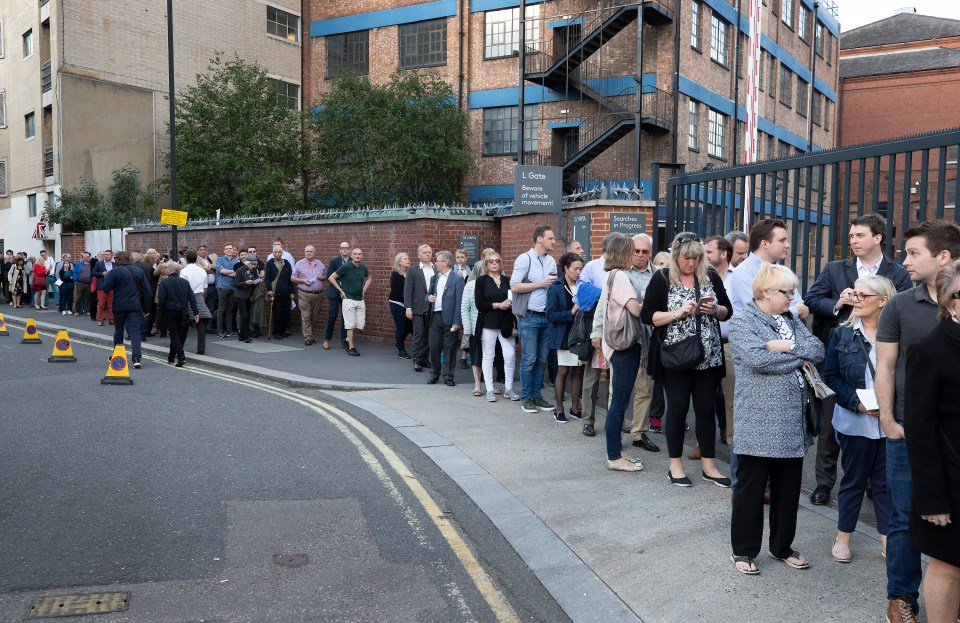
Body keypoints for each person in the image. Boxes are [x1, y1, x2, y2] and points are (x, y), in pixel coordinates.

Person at [876, 220, 960, 623]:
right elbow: (885, 367)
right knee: (905, 516)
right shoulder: (899, 304)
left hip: (954, 439)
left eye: (913, 253)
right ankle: (902, 598)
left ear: (943, 256)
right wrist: (889, 422)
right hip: (911, 431)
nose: (903, 260)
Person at [804, 214, 913, 507]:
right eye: (851, 236)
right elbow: (812, 299)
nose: (853, 241)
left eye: (859, 235)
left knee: (876, 421)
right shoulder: (836, 268)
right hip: (841, 354)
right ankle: (825, 483)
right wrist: (839, 303)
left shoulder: (897, 273)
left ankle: (869, 482)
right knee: (830, 426)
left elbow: (904, 308)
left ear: (878, 238)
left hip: (881, 355)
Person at [728, 263, 824, 575]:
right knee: (751, 491)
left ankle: (782, 546)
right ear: (767, 292)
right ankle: (744, 550)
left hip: (792, 421)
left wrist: (787, 347)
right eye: (787, 292)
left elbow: (818, 349)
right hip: (759, 419)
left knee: (788, 489)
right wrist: (798, 357)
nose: (792, 298)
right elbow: (758, 359)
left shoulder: (789, 321)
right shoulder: (744, 321)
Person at [641, 232, 731, 487]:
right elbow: (647, 316)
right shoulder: (661, 278)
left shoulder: (710, 275)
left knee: (705, 410)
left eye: (695, 257)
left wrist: (715, 310)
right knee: (678, 409)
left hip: (708, 356)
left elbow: (728, 311)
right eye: (686, 258)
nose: (691, 263)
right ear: (675, 256)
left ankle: (709, 466)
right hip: (675, 356)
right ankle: (675, 465)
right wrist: (677, 313)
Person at [822, 275, 895, 564]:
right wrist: (856, 403)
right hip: (855, 420)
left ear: (883, 301)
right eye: (855, 295)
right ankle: (843, 538)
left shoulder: (898, 334)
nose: (857, 300)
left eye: (864, 296)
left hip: (889, 422)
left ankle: (888, 540)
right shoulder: (842, 334)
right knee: (853, 480)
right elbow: (831, 377)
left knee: (884, 484)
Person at [905, 260, 960, 623]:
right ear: (953, 300)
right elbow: (920, 428)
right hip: (950, 478)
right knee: (949, 564)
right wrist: (931, 497)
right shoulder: (930, 348)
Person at [598, 234, 644, 472]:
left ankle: (616, 450)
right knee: (619, 402)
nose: (636, 254)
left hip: (614, 346)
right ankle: (614, 456)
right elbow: (635, 310)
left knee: (618, 400)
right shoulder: (623, 277)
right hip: (624, 347)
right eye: (632, 250)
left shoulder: (610, 275)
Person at [511, 225, 558, 414]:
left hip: (546, 317)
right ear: (539, 239)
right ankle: (527, 397)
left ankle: (537, 395)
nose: (554, 241)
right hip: (529, 316)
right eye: (550, 238)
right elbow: (514, 286)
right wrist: (540, 284)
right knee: (529, 359)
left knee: (541, 360)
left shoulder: (552, 261)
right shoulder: (524, 259)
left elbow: (554, 284)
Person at [576, 232, 617, 436]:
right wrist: (604, 296)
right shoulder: (592, 267)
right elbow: (580, 293)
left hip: (617, 330)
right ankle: (588, 420)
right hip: (597, 327)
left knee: (614, 379)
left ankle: (614, 420)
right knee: (592, 378)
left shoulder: (622, 269)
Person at [626, 233, 660, 452]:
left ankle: (638, 433)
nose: (640, 255)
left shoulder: (659, 276)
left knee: (645, 389)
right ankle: (615, 429)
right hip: (624, 338)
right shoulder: (619, 273)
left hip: (649, 340)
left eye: (644, 251)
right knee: (616, 389)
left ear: (651, 253)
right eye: (636, 251)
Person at [474, 250, 518, 401]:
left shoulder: (507, 280)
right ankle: (489, 389)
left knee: (510, 355)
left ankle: (509, 388)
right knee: (488, 355)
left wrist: (509, 304)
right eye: (491, 261)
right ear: (486, 264)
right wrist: (498, 305)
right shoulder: (481, 281)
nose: (494, 263)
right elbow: (479, 304)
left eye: (497, 261)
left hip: (506, 322)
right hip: (489, 322)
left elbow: (514, 299)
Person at [546, 252, 584, 423]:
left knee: (578, 370)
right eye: (575, 269)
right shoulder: (556, 287)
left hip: (581, 334)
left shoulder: (583, 286)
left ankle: (575, 407)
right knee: (563, 370)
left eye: (580, 269)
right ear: (565, 269)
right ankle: (559, 407)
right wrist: (570, 312)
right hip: (564, 335)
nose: (578, 272)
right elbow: (551, 315)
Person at [100, 251, 151, 369]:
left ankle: (117, 356)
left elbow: (106, 288)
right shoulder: (138, 271)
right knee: (135, 332)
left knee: (119, 331)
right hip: (135, 306)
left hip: (119, 306)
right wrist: (146, 308)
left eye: (116, 258)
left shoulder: (114, 271)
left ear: (119, 260)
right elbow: (147, 291)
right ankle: (136, 358)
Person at [426, 251, 464, 386]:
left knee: (450, 348)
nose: (435, 263)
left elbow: (460, 301)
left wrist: (457, 321)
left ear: (445, 263)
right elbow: (429, 295)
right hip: (435, 316)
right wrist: (428, 298)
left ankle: (448, 376)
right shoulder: (435, 278)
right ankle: (434, 374)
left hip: (450, 318)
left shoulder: (457, 278)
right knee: (434, 347)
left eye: (437, 261)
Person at [329, 247, 371, 356]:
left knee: (359, 324)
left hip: (360, 300)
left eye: (359, 254)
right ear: (351, 256)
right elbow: (331, 277)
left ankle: (348, 339)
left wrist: (363, 290)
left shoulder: (362, 267)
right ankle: (351, 347)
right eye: (355, 254)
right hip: (348, 300)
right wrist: (340, 290)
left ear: (362, 256)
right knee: (350, 324)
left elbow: (369, 278)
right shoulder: (346, 266)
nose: (357, 256)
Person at [157, 261, 198, 367]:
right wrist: (195, 312)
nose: (165, 269)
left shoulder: (164, 283)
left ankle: (181, 357)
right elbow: (192, 298)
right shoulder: (185, 282)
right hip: (183, 312)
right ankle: (171, 356)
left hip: (169, 311)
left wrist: (162, 311)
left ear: (169, 270)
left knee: (174, 335)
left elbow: (162, 299)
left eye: (166, 268)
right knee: (177, 335)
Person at [404, 244, 435, 371]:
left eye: (429, 252)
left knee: (429, 335)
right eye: (425, 252)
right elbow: (408, 290)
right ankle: (416, 360)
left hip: (433, 308)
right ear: (419, 255)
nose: (428, 254)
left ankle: (424, 359)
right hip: (418, 308)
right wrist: (408, 307)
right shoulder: (413, 270)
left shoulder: (436, 269)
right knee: (418, 335)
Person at [291, 245, 326, 345]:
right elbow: (293, 278)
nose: (309, 253)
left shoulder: (320, 264)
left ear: (315, 253)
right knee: (306, 316)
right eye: (307, 251)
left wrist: (322, 277)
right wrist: (303, 281)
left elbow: (325, 276)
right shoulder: (299, 264)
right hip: (304, 294)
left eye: (311, 251)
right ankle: (308, 338)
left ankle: (309, 334)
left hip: (318, 294)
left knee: (314, 316)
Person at [180, 250, 213, 355]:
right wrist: (202, 299)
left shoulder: (184, 271)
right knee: (201, 324)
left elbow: (182, 288)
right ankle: (201, 349)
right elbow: (205, 288)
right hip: (199, 297)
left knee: (184, 324)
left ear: (186, 259)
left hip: (187, 298)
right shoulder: (202, 271)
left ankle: (179, 347)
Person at [461, 257, 485, 396]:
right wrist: (468, 329)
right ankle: (477, 385)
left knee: (490, 357)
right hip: (475, 326)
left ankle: (489, 384)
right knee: (476, 356)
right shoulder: (470, 286)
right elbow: (465, 308)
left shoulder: (495, 284)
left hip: (491, 325)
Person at [323, 242, 351, 350]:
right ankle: (327, 339)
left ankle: (344, 340)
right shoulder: (334, 261)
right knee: (332, 316)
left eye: (346, 248)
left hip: (348, 294)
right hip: (334, 293)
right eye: (342, 248)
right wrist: (340, 284)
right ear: (339, 250)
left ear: (349, 250)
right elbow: (329, 276)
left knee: (345, 318)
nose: (344, 250)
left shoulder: (352, 261)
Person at [265, 247, 294, 340]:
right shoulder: (269, 263)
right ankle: (277, 331)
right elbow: (267, 278)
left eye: (279, 252)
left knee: (285, 312)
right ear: (273, 253)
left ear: (282, 253)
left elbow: (291, 279)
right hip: (275, 292)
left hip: (286, 292)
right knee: (277, 313)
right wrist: (269, 289)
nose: (277, 254)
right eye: (275, 252)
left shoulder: (286, 263)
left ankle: (283, 330)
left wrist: (292, 292)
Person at [389, 252, 413, 358]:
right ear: (399, 262)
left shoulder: (409, 274)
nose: (408, 260)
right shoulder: (395, 274)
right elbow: (398, 292)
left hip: (407, 305)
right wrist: (409, 303)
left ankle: (399, 343)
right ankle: (401, 351)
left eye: (408, 258)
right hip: (397, 304)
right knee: (401, 327)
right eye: (405, 259)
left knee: (410, 327)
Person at [232, 254, 259, 344]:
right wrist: (245, 282)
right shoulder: (240, 270)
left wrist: (256, 281)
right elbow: (235, 284)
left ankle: (242, 335)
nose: (254, 266)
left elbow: (256, 279)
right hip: (240, 295)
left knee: (247, 315)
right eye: (252, 264)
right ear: (248, 263)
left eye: (255, 264)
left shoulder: (254, 270)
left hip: (249, 295)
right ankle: (245, 336)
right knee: (244, 315)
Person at [215, 244, 239, 338]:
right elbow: (221, 272)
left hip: (232, 288)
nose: (229, 250)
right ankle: (219, 330)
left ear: (233, 250)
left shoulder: (236, 261)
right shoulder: (219, 259)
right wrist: (232, 272)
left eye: (230, 249)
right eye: (227, 249)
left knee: (230, 310)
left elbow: (237, 274)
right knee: (221, 309)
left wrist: (227, 271)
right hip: (222, 287)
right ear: (224, 251)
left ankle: (229, 330)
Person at [93, 250, 115, 324]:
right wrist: (102, 273)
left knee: (111, 305)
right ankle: (101, 320)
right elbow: (93, 272)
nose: (106, 256)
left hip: (112, 287)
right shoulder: (99, 264)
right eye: (105, 254)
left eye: (108, 254)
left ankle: (111, 319)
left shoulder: (115, 264)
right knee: (101, 305)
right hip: (101, 286)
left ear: (111, 256)